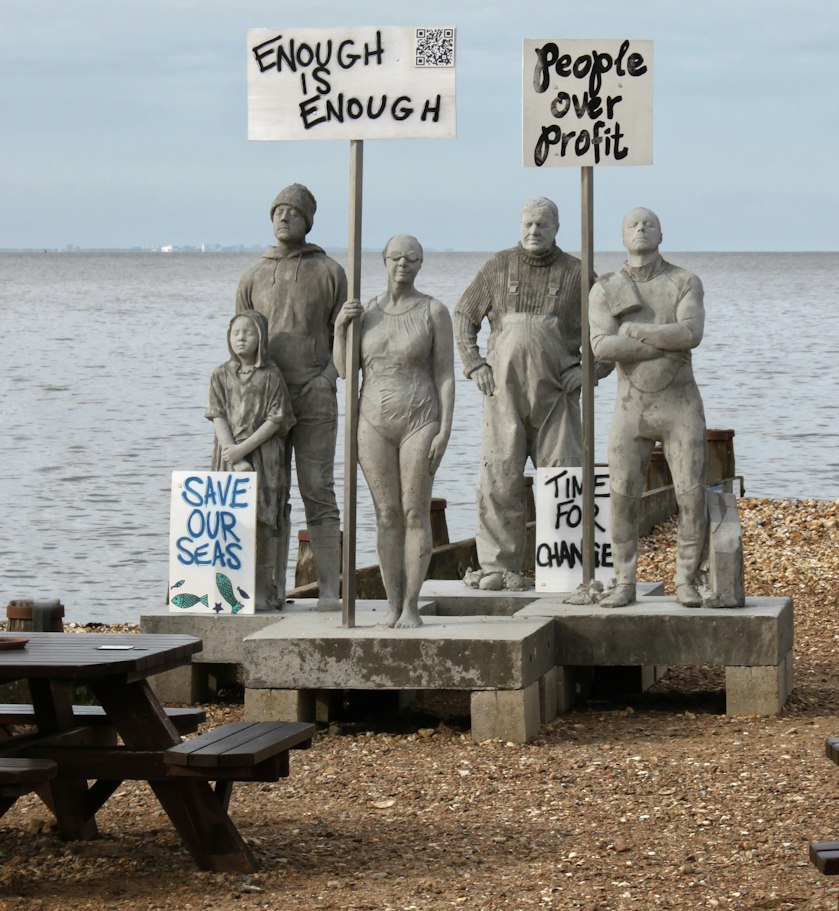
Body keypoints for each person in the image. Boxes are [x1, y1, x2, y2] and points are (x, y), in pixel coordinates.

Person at [454, 196, 596, 591]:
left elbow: (608, 329)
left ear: (556, 228)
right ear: (519, 226)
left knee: (564, 474)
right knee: (499, 475)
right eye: (528, 224)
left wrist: (590, 370)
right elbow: (464, 314)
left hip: (558, 397)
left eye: (542, 225)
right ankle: (500, 567)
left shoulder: (578, 274)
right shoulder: (499, 266)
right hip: (503, 394)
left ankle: (568, 567)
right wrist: (475, 363)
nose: (534, 232)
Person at [236, 184, 347, 609]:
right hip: (265, 403)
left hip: (315, 393)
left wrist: (329, 376)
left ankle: (332, 591)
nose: (284, 217)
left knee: (318, 489)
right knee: (269, 492)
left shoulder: (330, 271)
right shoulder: (253, 276)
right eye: (278, 211)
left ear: (309, 220)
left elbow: (344, 334)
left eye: (293, 212)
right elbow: (239, 340)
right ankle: (268, 590)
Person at [334, 235, 454, 628]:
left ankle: (412, 606)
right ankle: (391, 603)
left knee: (414, 511)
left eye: (412, 258)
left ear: (421, 264)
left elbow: (445, 375)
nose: (403, 264)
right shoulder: (366, 311)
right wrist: (339, 330)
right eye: (396, 257)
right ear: (383, 261)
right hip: (372, 421)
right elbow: (345, 370)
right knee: (386, 513)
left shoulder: (434, 311)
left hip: (420, 419)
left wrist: (446, 428)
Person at [590, 207, 708, 608]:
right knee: (622, 494)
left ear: (661, 233)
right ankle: (623, 580)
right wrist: (663, 342)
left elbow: (691, 333)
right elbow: (602, 346)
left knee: (691, 494)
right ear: (622, 236)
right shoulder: (606, 287)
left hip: (680, 406)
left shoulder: (683, 281)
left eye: (649, 223)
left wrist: (637, 331)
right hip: (631, 408)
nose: (641, 228)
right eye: (632, 224)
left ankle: (687, 579)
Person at [206, 310, 296, 611]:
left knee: (263, 520)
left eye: (248, 332)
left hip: (263, 454)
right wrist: (232, 451)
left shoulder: (271, 376)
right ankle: (225, 590)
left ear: (261, 338)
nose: (241, 338)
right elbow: (217, 414)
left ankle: (261, 589)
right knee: (228, 521)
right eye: (235, 333)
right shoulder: (220, 374)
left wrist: (244, 450)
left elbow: (276, 419)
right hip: (227, 455)